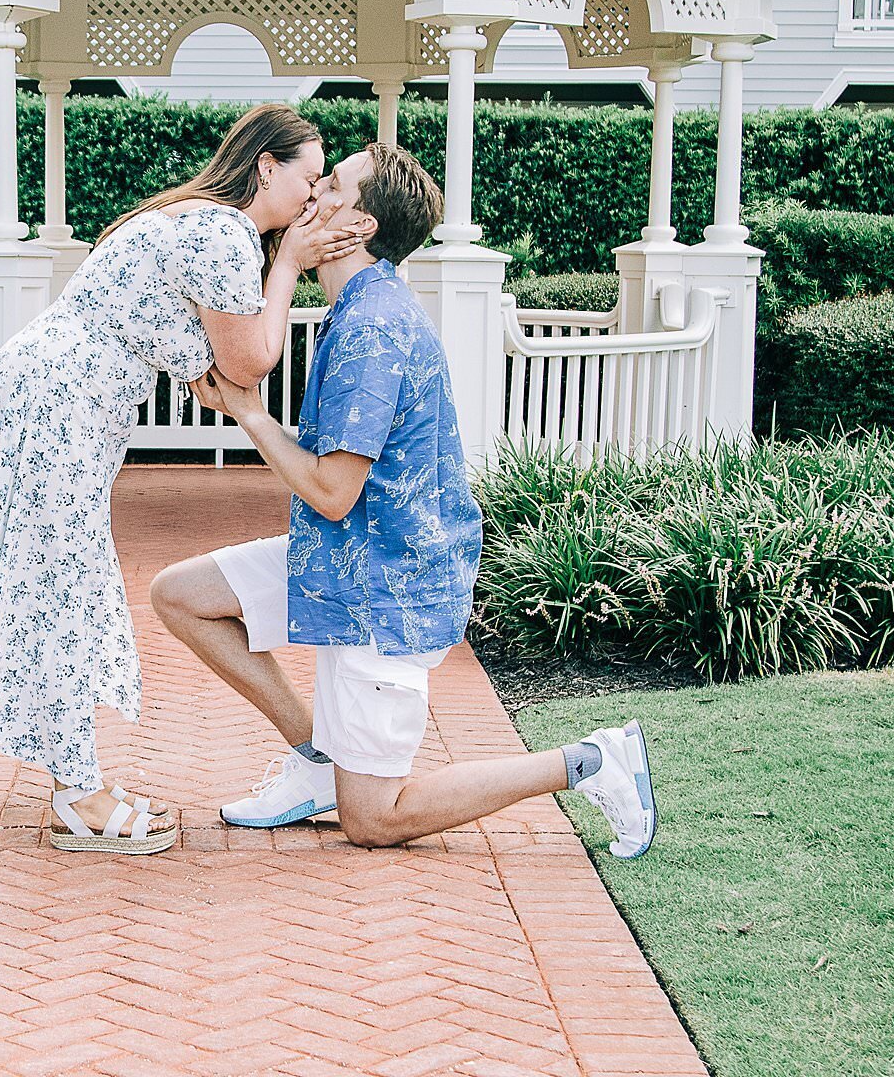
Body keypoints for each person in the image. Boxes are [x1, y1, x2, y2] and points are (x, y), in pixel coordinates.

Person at [151, 141, 658, 858]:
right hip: (344, 561)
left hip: (386, 589)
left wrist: (250, 414)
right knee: (182, 595)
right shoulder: (360, 306)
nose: (309, 195)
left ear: (356, 227)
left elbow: (331, 492)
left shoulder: (371, 329)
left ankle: (589, 762)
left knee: (374, 820)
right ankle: (318, 760)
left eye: (328, 186)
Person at [0, 103, 368, 856]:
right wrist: (289, 263)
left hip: (49, 400)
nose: (313, 201)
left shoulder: (200, 222)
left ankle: (75, 779)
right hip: (53, 407)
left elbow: (219, 367)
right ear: (265, 167)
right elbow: (249, 363)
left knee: (56, 579)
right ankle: (76, 794)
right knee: (57, 581)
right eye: (308, 181)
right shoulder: (222, 233)